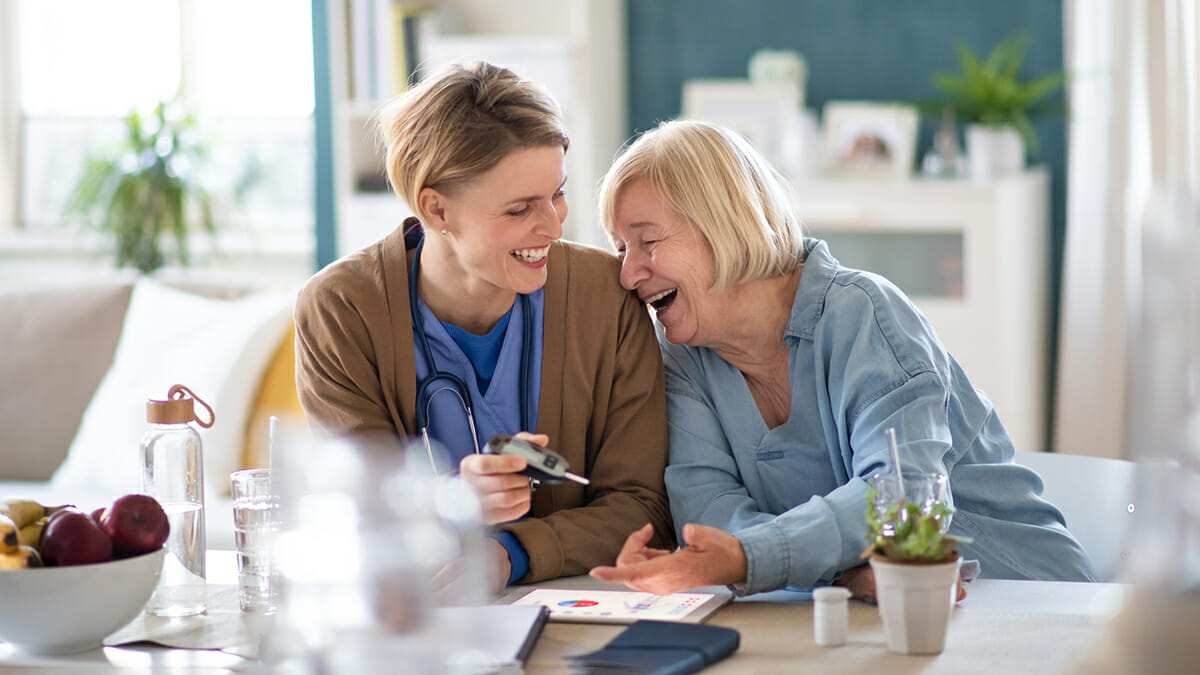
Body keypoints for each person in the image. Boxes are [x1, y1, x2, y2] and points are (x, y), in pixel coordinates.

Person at [590, 119, 1096, 598]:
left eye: (648, 242)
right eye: (620, 250)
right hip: (873, 614)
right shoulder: (685, 359)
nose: (628, 274)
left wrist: (755, 557)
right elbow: (712, 518)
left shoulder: (866, 315)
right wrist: (840, 573)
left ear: (726, 223)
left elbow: (903, 500)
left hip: (1024, 598)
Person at [293, 61, 674, 590]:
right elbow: (359, 515)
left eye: (557, 194)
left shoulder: (607, 297)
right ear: (436, 209)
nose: (554, 226)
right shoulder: (341, 310)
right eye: (520, 210)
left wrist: (510, 553)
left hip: (580, 609)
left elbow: (642, 507)